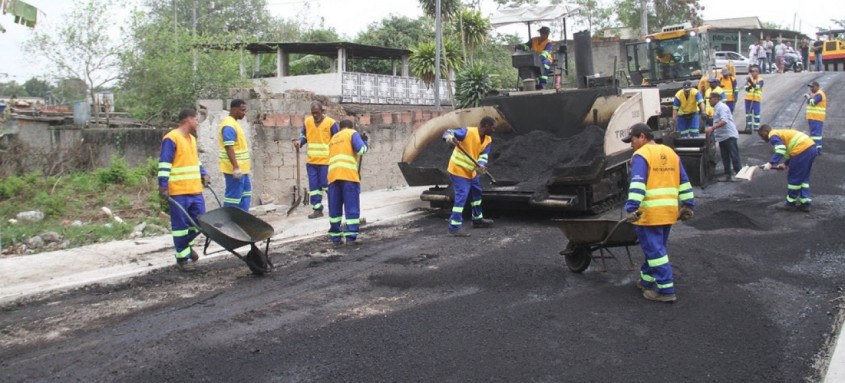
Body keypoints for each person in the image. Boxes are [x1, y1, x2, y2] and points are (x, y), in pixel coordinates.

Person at [622, 123, 694, 303]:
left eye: (632, 140)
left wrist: (631, 208)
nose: (631, 145)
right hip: (668, 212)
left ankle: (666, 289)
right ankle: (647, 281)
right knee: (655, 249)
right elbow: (683, 181)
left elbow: (638, 184)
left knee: (655, 251)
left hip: (649, 213)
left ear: (641, 137)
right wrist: (687, 205)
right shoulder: (670, 153)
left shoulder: (641, 155)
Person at [159, 108, 210, 272]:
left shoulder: (192, 140)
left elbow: (195, 160)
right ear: (188, 120)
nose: (197, 123)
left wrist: (204, 173)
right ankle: (182, 258)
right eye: (196, 120)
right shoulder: (171, 138)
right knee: (180, 226)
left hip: (195, 190)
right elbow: (164, 164)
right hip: (179, 191)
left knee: (199, 223)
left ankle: (186, 247)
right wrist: (163, 185)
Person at [442, 116, 496, 237]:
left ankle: (477, 220)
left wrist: (481, 165)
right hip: (458, 170)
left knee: (476, 193)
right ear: (486, 126)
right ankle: (454, 228)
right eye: (493, 127)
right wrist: (450, 138)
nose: (494, 130)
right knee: (462, 196)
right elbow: (448, 132)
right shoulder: (468, 132)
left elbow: (483, 155)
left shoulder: (488, 140)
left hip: (471, 172)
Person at [293, 101, 339, 218]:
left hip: (326, 161)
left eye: (317, 113)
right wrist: (300, 142)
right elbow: (304, 135)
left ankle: (335, 207)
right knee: (314, 187)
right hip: (312, 162)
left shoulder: (331, 123)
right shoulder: (308, 122)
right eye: (313, 113)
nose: (314, 115)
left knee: (326, 185)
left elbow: (338, 139)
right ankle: (317, 209)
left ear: (322, 111)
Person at [757, 124, 818, 212]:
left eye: (762, 135)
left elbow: (781, 149)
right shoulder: (780, 133)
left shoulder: (772, 135)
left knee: (794, 177)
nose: (762, 138)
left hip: (802, 150)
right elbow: (792, 151)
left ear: (767, 131)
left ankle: (790, 204)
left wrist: (770, 163)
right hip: (811, 148)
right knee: (803, 177)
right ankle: (805, 203)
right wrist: (785, 164)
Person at [326, 119, 368, 245]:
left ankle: (335, 237)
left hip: (333, 177)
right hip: (348, 176)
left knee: (335, 209)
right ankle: (350, 236)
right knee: (351, 207)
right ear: (351, 126)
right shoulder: (351, 133)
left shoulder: (333, 139)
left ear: (340, 128)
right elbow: (361, 150)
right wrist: (364, 141)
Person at [218, 99, 252, 211]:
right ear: (234, 109)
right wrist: (236, 167)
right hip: (234, 170)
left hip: (243, 170)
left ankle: (242, 221)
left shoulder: (234, 124)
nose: (244, 113)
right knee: (233, 198)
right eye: (242, 110)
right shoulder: (229, 125)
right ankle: (229, 222)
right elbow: (229, 146)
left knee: (245, 195)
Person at [705, 92, 741, 181]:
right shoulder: (717, 108)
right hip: (722, 137)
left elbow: (724, 121)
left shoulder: (722, 107)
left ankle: (739, 174)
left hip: (729, 135)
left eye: (710, 99)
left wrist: (712, 128)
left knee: (734, 155)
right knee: (725, 156)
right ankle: (728, 175)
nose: (709, 101)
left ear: (716, 99)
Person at [805, 81, 827, 155]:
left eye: (812, 87)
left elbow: (813, 102)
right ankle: (816, 149)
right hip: (813, 117)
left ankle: (816, 150)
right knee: (814, 134)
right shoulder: (816, 94)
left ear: (817, 87)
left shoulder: (820, 94)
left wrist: (808, 98)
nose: (811, 88)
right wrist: (810, 96)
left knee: (816, 135)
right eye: (810, 87)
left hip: (816, 117)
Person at [744, 65, 764, 133]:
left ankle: (756, 126)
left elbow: (757, 87)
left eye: (754, 72)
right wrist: (750, 83)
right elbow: (746, 88)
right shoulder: (749, 79)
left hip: (756, 100)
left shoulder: (760, 80)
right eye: (751, 72)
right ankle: (748, 126)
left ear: (757, 72)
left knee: (756, 113)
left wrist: (751, 82)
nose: (752, 73)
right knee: (748, 113)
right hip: (748, 99)